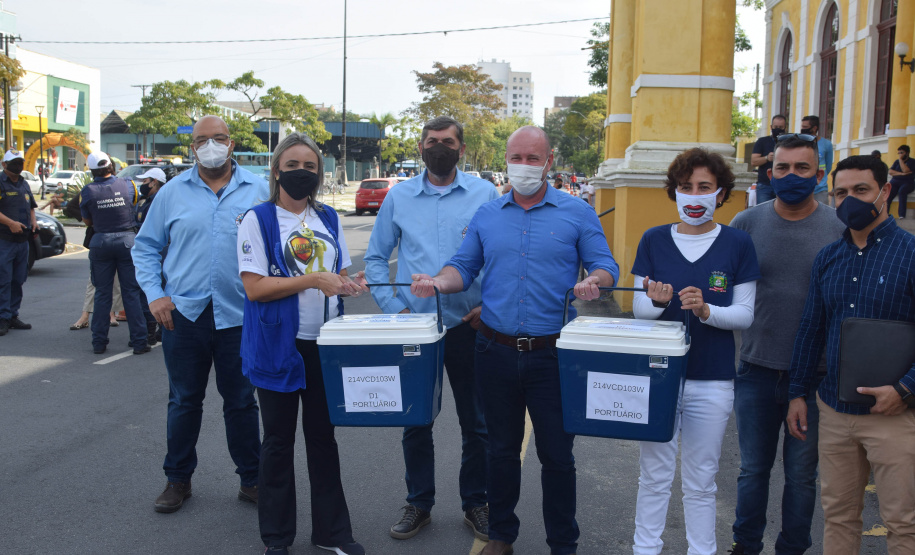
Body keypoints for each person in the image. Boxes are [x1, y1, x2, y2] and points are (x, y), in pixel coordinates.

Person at [411, 126, 620, 555]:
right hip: (494, 353)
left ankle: (563, 542)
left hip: (554, 357)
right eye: (516, 157)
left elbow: (605, 265)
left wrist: (594, 281)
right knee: (501, 453)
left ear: (548, 161)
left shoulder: (576, 212)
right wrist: (437, 282)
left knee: (558, 458)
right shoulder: (489, 215)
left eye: (532, 158)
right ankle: (502, 536)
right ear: (505, 159)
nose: (522, 165)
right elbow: (462, 267)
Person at [364, 116, 499, 542]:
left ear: (461, 149)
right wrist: (395, 311)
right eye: (431, 142)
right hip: (415, 329)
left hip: (469, 325)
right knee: (415, 420)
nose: (438, 148)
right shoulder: (398, 197)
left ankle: (476, 502)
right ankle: (419, 503)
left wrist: (488, 307)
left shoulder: (485, 193)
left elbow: (502, 257)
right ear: (420, 148)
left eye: (447, 142)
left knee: (476, 423)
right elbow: (374, 260)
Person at [238, 133, 367, 555]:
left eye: (309, 167)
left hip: (324, 347)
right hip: (280, 345)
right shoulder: (257, 220)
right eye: (292, 166)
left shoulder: (328, 218)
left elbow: (342, 273)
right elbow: (255, 288)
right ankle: (276, 539)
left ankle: (333, 534)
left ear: (319, 174)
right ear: (276, 171)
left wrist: (352, 285)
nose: (301, 173)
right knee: (277, 442)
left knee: (322, 439)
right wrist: (313, 279)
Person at [133, 115, 265, 513]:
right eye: (202, 140)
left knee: (241, 402)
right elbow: (144, 248)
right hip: (184, 316)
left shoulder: (259, 191)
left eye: (218, 138)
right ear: (192, 148)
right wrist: (155, 295)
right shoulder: (172, 193)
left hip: (241, 315)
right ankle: (178, 480)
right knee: (184, 401)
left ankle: (253, 480)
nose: (211, 145)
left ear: (232, 143)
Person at [630, 148, 760, 555]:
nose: (694, 195)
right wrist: (655, 301)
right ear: (674, 191)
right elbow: (639, 310)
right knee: (653, 475)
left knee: (702, 480)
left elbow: (744, 314)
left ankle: (701, 551)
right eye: (686, 187)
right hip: (659, 377)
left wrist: (706, 311)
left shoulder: (738, 243)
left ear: (721, 194)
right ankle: (645, 549)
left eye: (704, 187)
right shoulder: (653, 239)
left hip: (712, 380)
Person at [787, 155, 915, 555]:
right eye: (840, 193)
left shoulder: (911, 254)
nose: (849, 201)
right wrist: (797, 392)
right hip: (835, 411)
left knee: (902, 521)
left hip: (896, 414)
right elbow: (811, 328)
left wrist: (906, 388)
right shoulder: (828, 257)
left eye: (861, 191)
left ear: (885, 191)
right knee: (839, 515)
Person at [728, 136, 845, 555]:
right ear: (770, 172)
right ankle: (746, 545)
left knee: (801, 476)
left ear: (818, 175)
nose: (790, 176)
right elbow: (721, 282)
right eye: (782, 168)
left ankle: (792, 548)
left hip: (815, 378)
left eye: (801, 169)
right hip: (755, 370)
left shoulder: (839, 228)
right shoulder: (746, 223)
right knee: (752, 470)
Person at [79, 151, 148, 355]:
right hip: (127, 241)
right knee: (131, 292)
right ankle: (139, 342)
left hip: (101, 242)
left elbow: (87, 220)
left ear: (92, 171)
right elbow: (134, 205)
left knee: (102, 294)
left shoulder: (88, 191)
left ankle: (99, 343)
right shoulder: (129, 184)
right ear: (111, 166)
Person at [0, 149, 37, 336]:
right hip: (5, 240)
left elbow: (31, 205)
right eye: (14, 162)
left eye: (20, 161)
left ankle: (13, 315)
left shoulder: (23, 183)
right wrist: (10, 223)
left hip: (23, 241)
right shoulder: (0, 182)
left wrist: (34, 222)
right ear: (4, 165)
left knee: (18, 280)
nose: (18, 165)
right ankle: (2, 317)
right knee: (3, 280)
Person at [135, 167, 167, 345]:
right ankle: (153, 329)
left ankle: (157, 330)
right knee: (147, 290)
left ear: (155, 182)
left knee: (160, 289)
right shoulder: (144, 202)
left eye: (145, 181)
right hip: (146, 249)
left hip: (162, 251)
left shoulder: (161, 201)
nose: (143, 185)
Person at [751, 115, 787, 203]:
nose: (778, 129)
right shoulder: (762, 141)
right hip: (764, 185)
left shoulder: (789, 142)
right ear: (771, 127)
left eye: (781, 127)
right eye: (776, 127)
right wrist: (767, 158)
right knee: (763, 213)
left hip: (783, 184)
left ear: (785, 128)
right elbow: (753, 161)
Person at [800, 116, 834, 206]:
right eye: (802, 127)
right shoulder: (798, 143)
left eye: (805, 127)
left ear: (814, 128)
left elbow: (828, 166)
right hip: (802, 188)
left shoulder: (827, 144)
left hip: (820, 189)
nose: (802, 129)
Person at [887, 144, 915, 219]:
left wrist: (901, 160)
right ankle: (885, 214)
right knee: (888, 192)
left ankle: (902, 215)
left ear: (907, 153)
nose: (900, 155)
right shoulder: (896, 162)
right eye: (899, 153)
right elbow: (890, 171)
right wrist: (902, 174)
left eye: (901, 153)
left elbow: (906, 170)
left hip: (907, 182)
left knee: (902, 191)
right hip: (895, 181)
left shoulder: (912, 161)